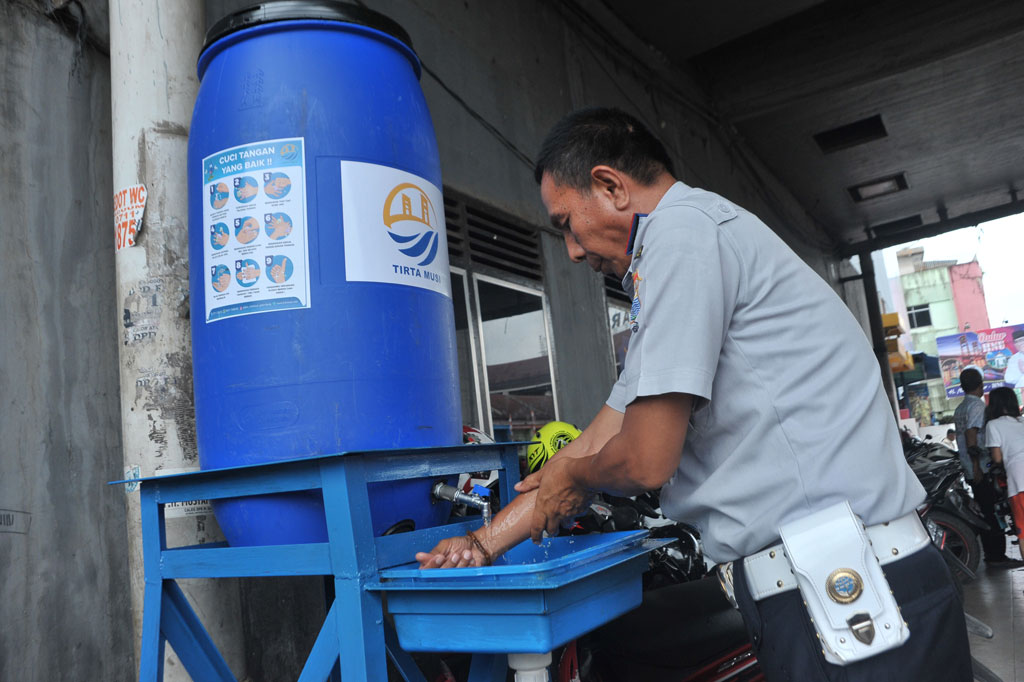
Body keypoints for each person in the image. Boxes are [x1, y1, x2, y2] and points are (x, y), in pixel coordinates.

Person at [416, 108, 970, 680]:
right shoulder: (688, 252)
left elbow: (644, 460)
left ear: (610, 186)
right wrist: (480, 544)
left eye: (566, 223)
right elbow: (593, 442)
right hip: (828, 589)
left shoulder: (681, 235)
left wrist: (575, 477)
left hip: (848, 598)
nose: (573, 251)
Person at [953, 368, 1021, 566]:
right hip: (981, 468)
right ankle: (996, 556)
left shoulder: (960, 408)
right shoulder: (977, 406)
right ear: (980, 385)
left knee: (984, 512)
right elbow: (971, 436)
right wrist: (977, 466)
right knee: (992, 512)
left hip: (970, 467)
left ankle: (993, 554)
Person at [984, 387, 1024, 552]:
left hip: (1019, 481)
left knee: (1023, 533)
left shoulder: (993, 425)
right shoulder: (1022, 421)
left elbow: (997, 458)